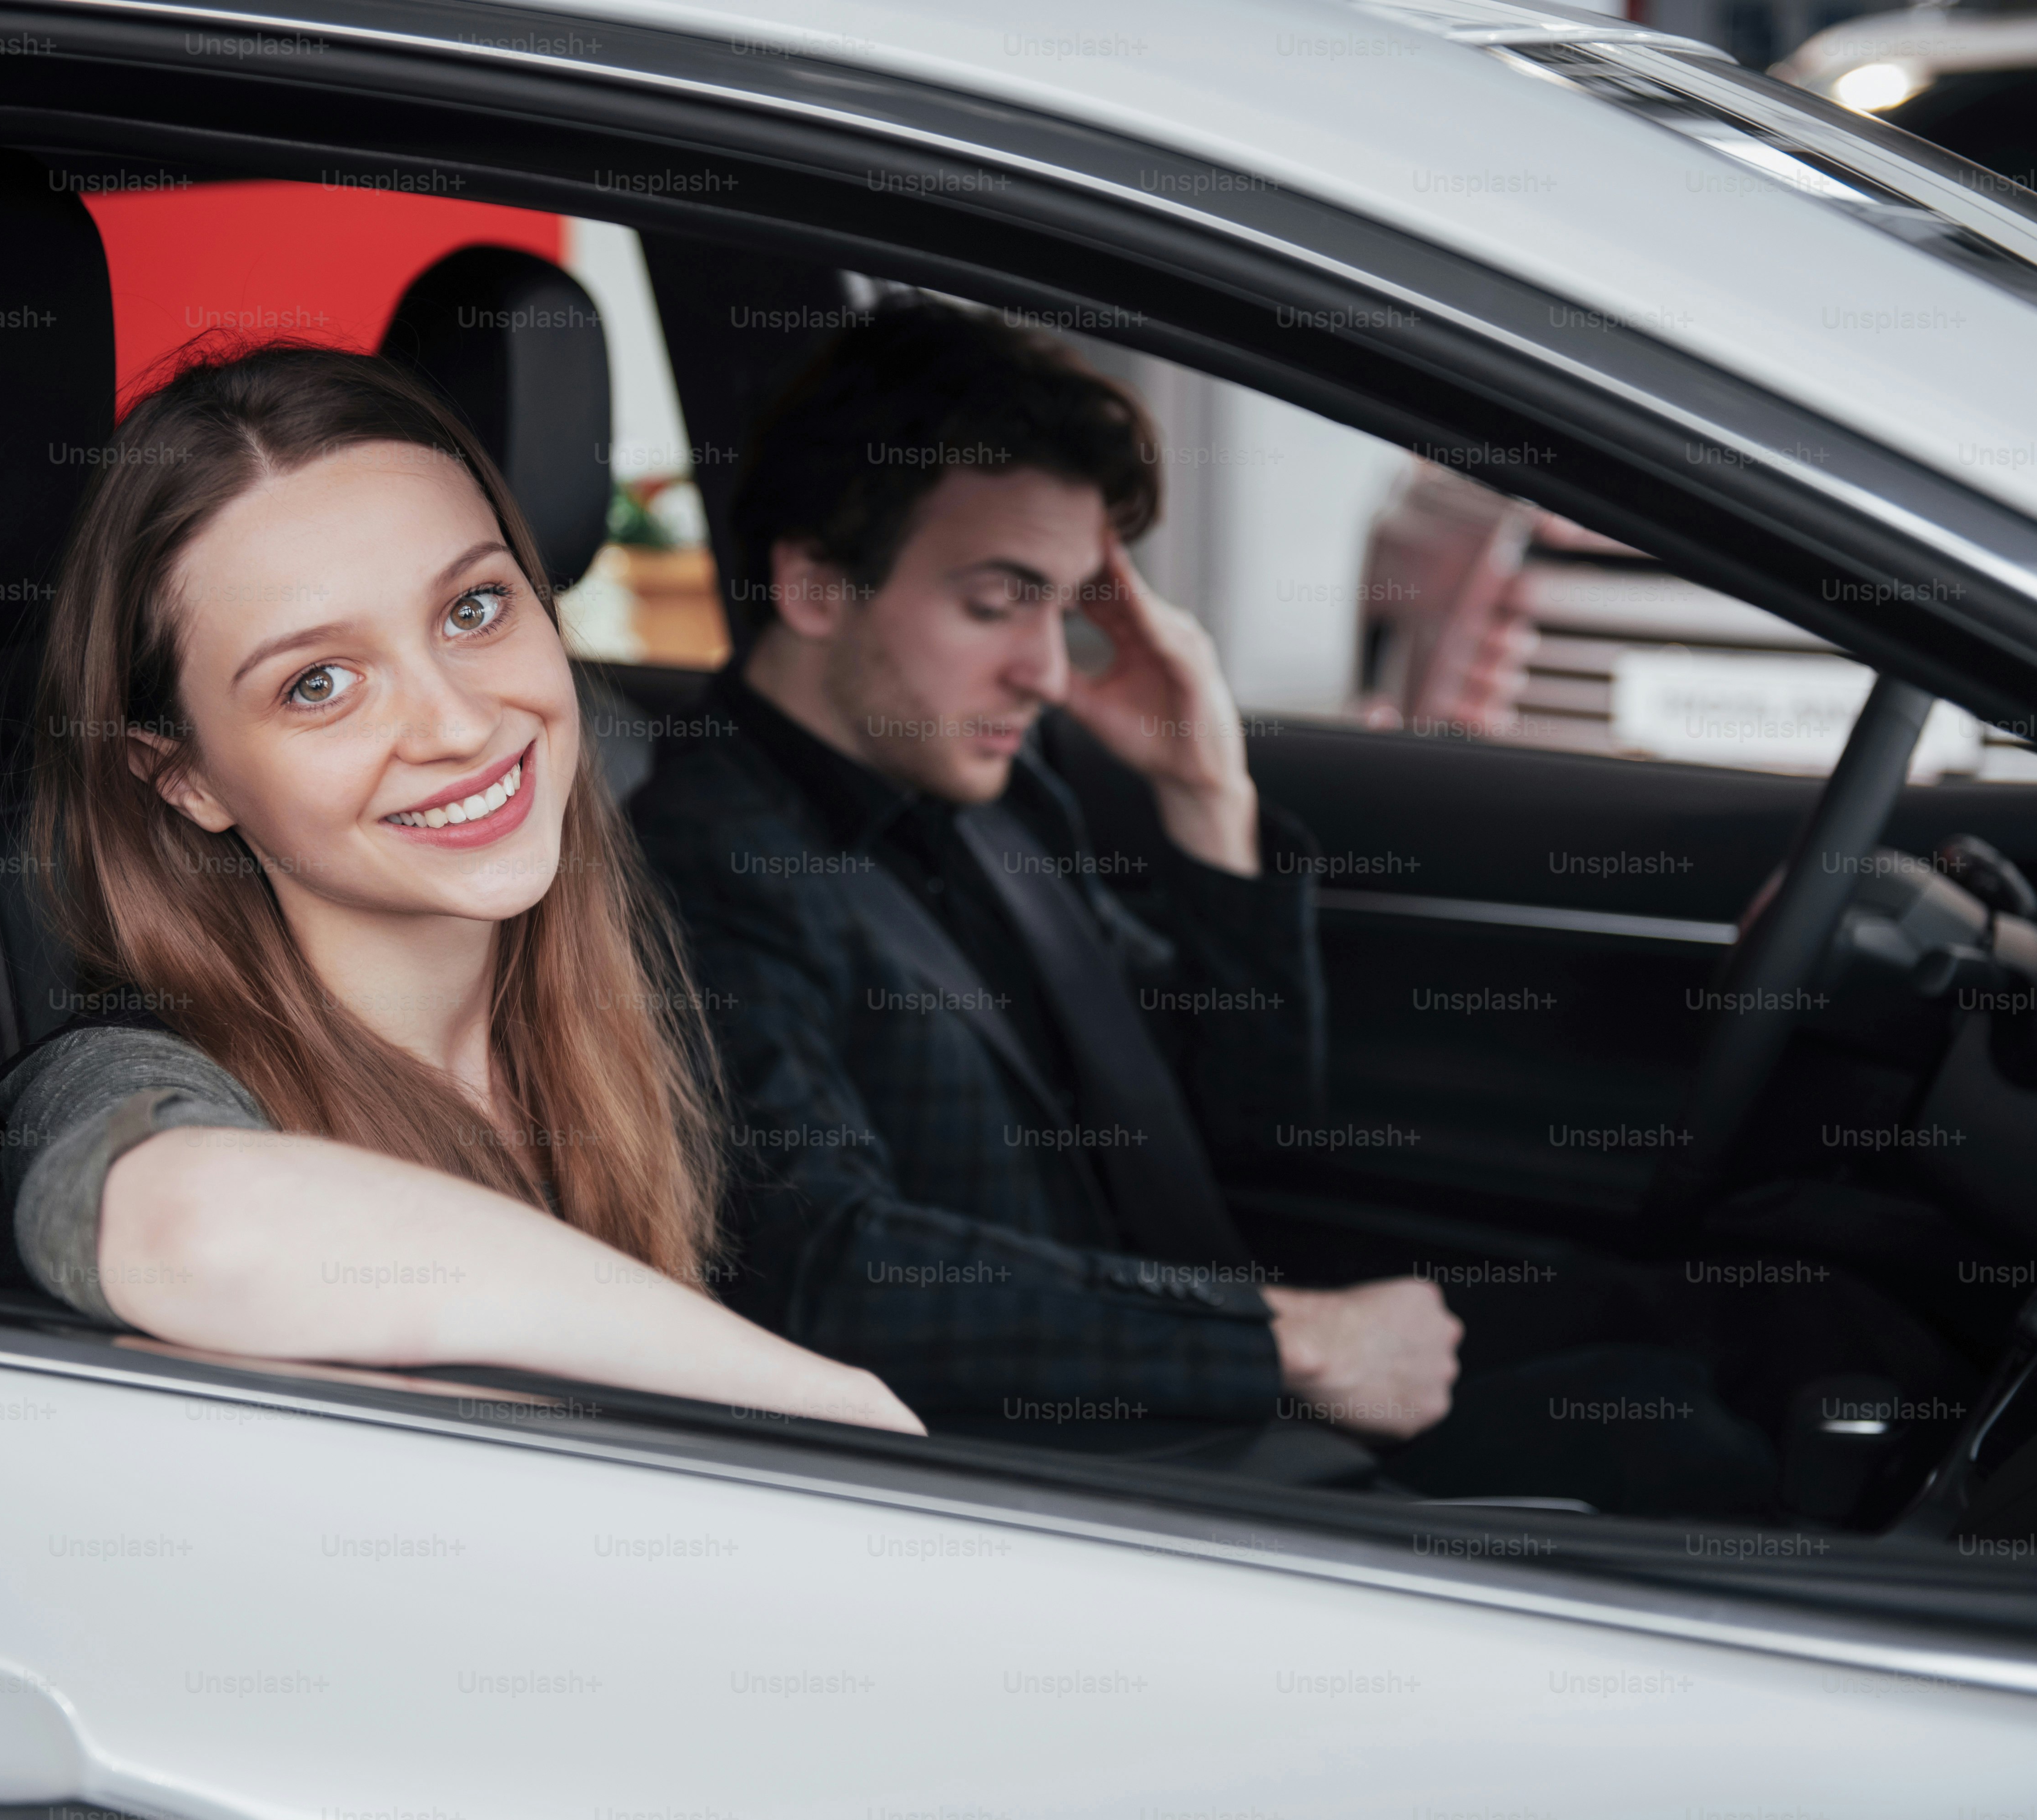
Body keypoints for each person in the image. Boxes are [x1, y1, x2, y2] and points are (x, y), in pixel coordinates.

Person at [632, 303, 1967, 1512]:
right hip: (1075, 1463)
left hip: (1191, 1356)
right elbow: (825, 1271)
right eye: (995, 604)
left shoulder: (987, 798)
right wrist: (1291, 1342)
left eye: (1059, 607)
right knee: (1688, 1453)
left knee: (1779, 1325)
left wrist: (1208, 797)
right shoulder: (704, 865)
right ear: (811, 585)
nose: (1045, 668)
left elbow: (1245, 1120)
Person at [0, 342, 921, 1436]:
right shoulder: (126, 1073)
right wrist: (812, 1401)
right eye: (320, 684)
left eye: (473, 610)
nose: (460, 725)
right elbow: (191, 1231)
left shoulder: (607, 1003)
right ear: (186, 777)